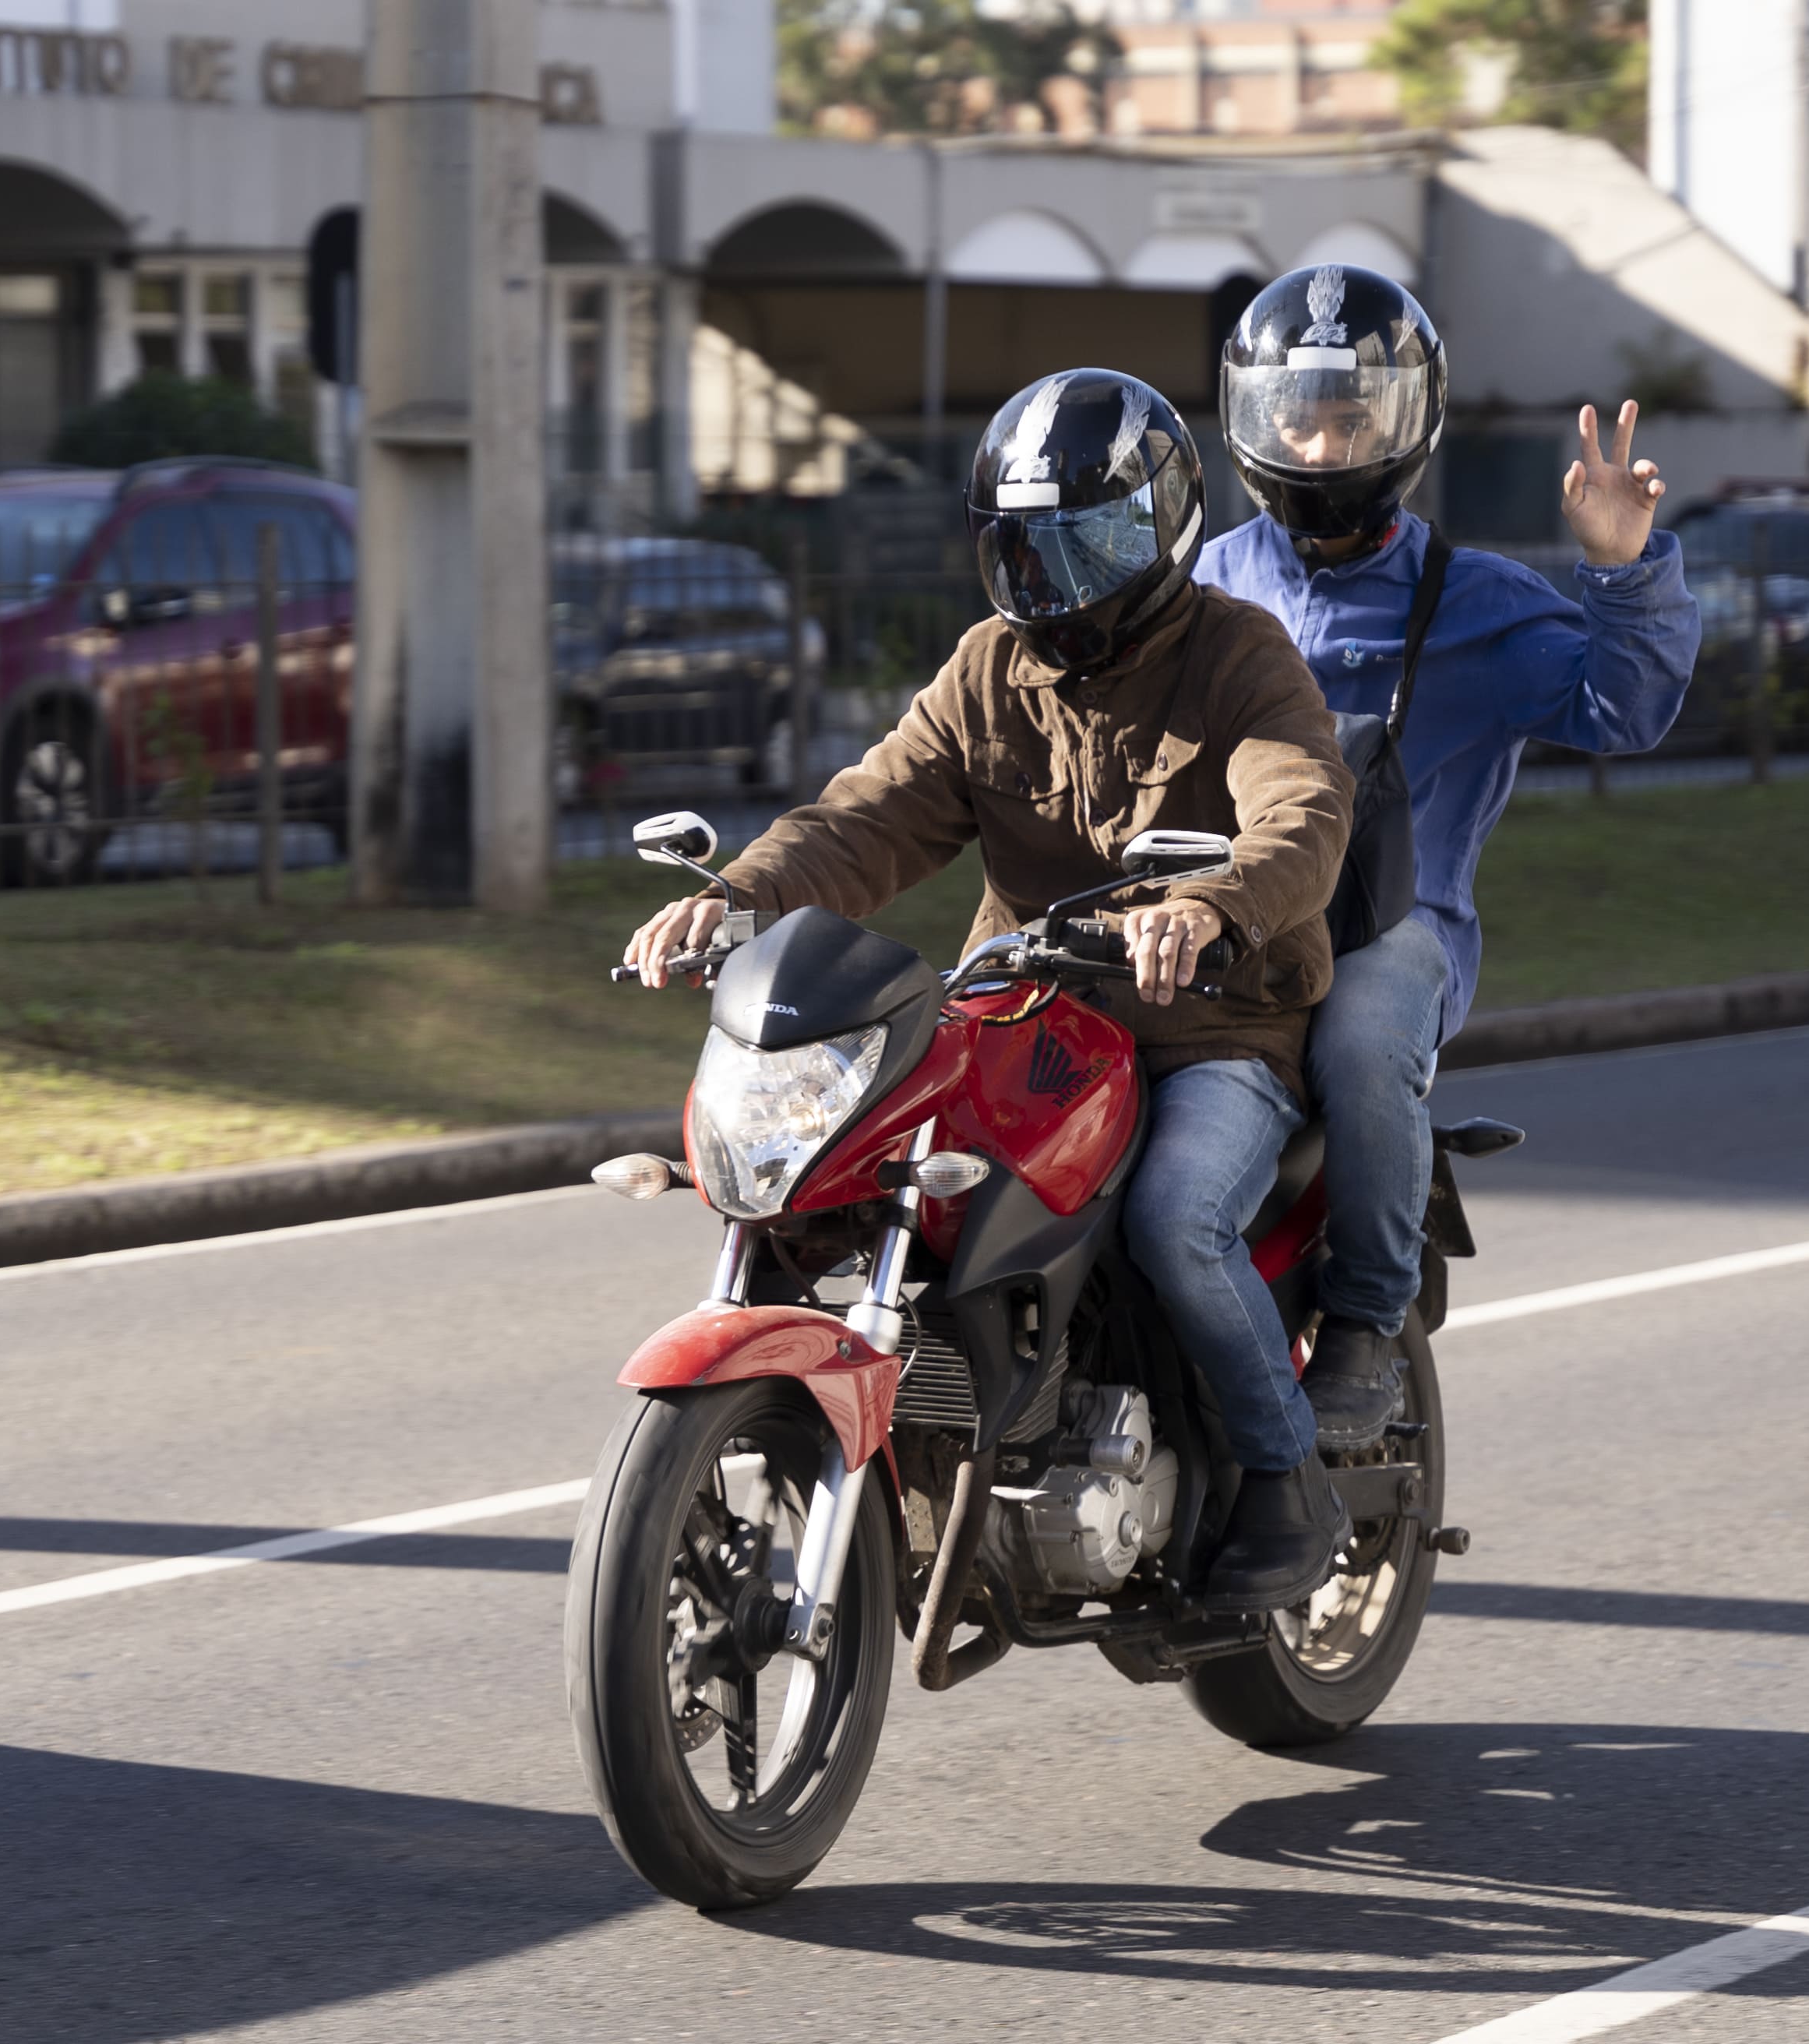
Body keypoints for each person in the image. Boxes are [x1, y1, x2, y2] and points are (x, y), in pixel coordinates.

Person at [622, 369, 1361, 1613]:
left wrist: (1213, 906)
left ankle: (1290, 1481)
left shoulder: (1239, 655)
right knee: (863, 1172)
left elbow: (1305, 810)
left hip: (1209, 1029)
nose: (1058, 582)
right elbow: (865, 817)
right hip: (1028, 1018)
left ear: (1166, 525)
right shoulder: (985, 672)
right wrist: (739, 900)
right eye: (1029, 550)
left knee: (1179, 1216)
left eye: (1092, 544)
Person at [1197, 263, 1699, 1447]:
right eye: (1301, 417)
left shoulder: (1476, 601)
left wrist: (1623, 570)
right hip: (1217, 921)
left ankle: (1366, 1328)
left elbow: (1622, 712)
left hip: (1390, 929)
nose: (1322, 447)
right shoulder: (1205, 583)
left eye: (1353, 418)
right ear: (1256, 422)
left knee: (1367, 1041)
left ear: (1406, 426)